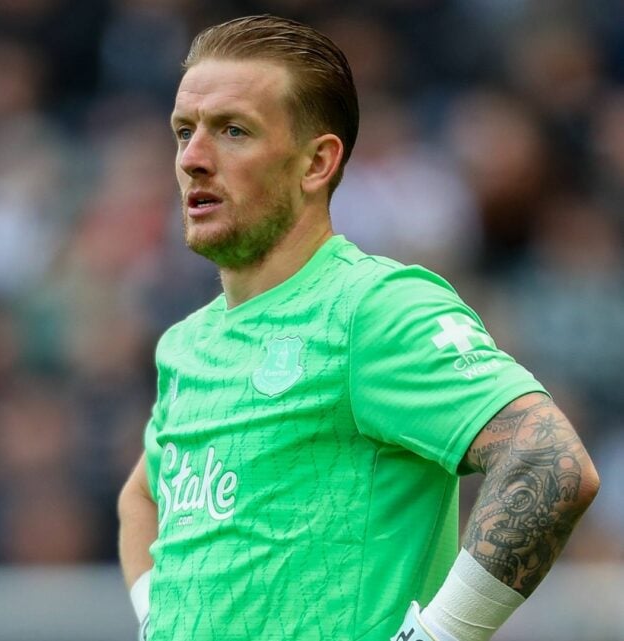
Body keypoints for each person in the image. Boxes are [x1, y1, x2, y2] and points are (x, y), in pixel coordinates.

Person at [116, 15, 599, 641]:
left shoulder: (372, 308)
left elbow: (549, 461)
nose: (193, 159)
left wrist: (438, 635)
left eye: (232, 131)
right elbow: (142, 499)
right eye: (185, 131)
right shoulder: (188, 343)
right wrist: (164, 619)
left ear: (317, 163)